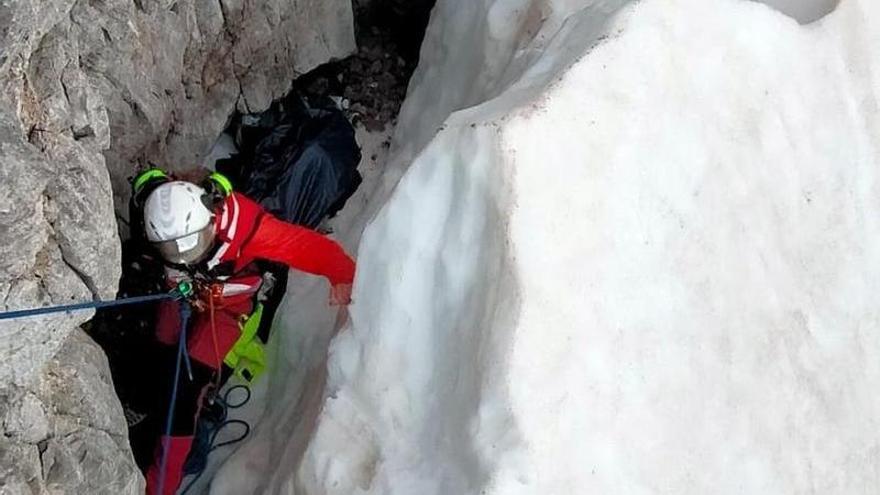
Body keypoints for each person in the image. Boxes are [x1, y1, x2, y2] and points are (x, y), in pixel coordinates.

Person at [131, 168, 355, 495]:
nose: (184, 257)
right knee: (162, 349)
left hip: (225, 309)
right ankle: (149, 408)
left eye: (192, 246)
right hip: (180, 296)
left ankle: (160, 486)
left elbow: (306, 247)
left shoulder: (248, 229)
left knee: (187, 391)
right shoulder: (162, 207)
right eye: (173, 252)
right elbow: (149, 181)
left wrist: (344, 274)